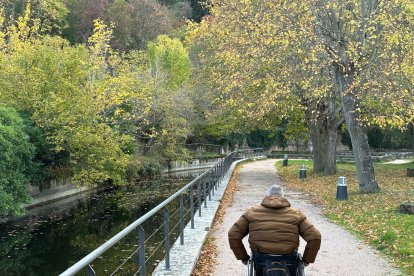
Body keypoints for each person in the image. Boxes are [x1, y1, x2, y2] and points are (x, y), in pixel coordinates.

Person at [228, 184, 321, 275]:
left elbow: (233, 234)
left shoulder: (252, 212)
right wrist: (306, 260)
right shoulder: (296, 214)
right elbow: (315, 236)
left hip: (261, 258)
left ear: (267, 196)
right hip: (289, 259)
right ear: (283, 197)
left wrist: (243, 258)